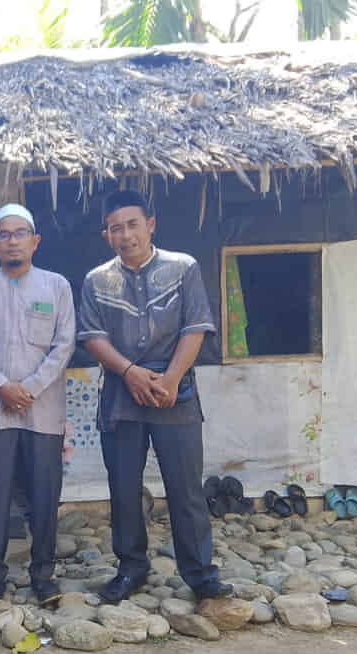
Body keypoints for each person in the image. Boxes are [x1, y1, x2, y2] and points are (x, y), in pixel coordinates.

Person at [77, 190, 231, 604]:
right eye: (116, 228)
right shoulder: (96, 280)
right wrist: (130, 372)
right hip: (120, 393)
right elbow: (92, 336)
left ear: (151, 224)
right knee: (124, 489)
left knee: (186, 489)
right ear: (106, 235)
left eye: (133, 224)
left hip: (174, 392)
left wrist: (170, 379)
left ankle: (200, 574)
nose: (126, 235)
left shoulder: (183, 268)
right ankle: (131, 567)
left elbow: (195, 327)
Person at [0, 204, 76, 608]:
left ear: (35, 241)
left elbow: (65, 344)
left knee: (45, 494)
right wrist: (1, 386)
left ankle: (43, 575)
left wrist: (29, 388)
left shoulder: (56, 286)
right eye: (4, 235)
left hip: (44, 412)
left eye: (20, 233)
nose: (12, 241)